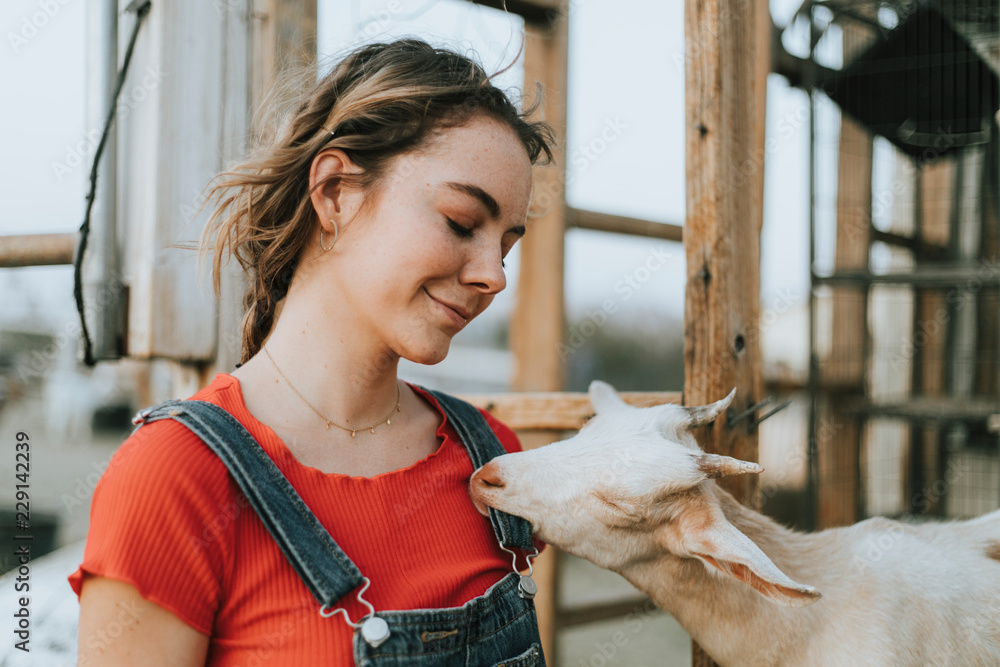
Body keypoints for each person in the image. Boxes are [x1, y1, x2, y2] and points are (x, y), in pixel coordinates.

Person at [71, 38, 554, 666]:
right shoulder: (175, 478)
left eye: (507, 246)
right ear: (333, 192)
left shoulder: (492, 460)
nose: (494, 275)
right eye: (462, 222)